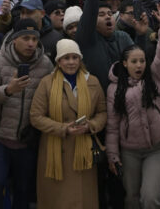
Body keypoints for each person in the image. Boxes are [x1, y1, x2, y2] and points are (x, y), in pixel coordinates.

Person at [105, 3, 160, 209]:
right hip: (129, 151)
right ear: (124, 64)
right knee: (132, 198)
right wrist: (113, 155)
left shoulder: (155, 77)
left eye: (142, 61)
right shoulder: (114, 89)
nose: (139, 65)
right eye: (134, 61)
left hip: (156, 148)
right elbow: (112, 125)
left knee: (151, 198)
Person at [0, 18, 54, 209]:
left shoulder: (45, 64)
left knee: (23, 188)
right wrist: (8, 90)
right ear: (14, 39)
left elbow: (51, 98)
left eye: (34, 39)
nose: (31, 43)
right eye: (26, 38)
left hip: (26, 139)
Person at [30, 38, 107, 209]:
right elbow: (36, 116)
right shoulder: (47, 83)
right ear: (58, 61)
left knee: (82, 199)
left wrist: (91, 126)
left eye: (75, 57)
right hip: (55, 151)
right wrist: (63, 128)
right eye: (66, 58)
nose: (71, 62)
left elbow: (102, 113)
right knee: (57, 200)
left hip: (83, 151)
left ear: (80, 59)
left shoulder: (92, 81)